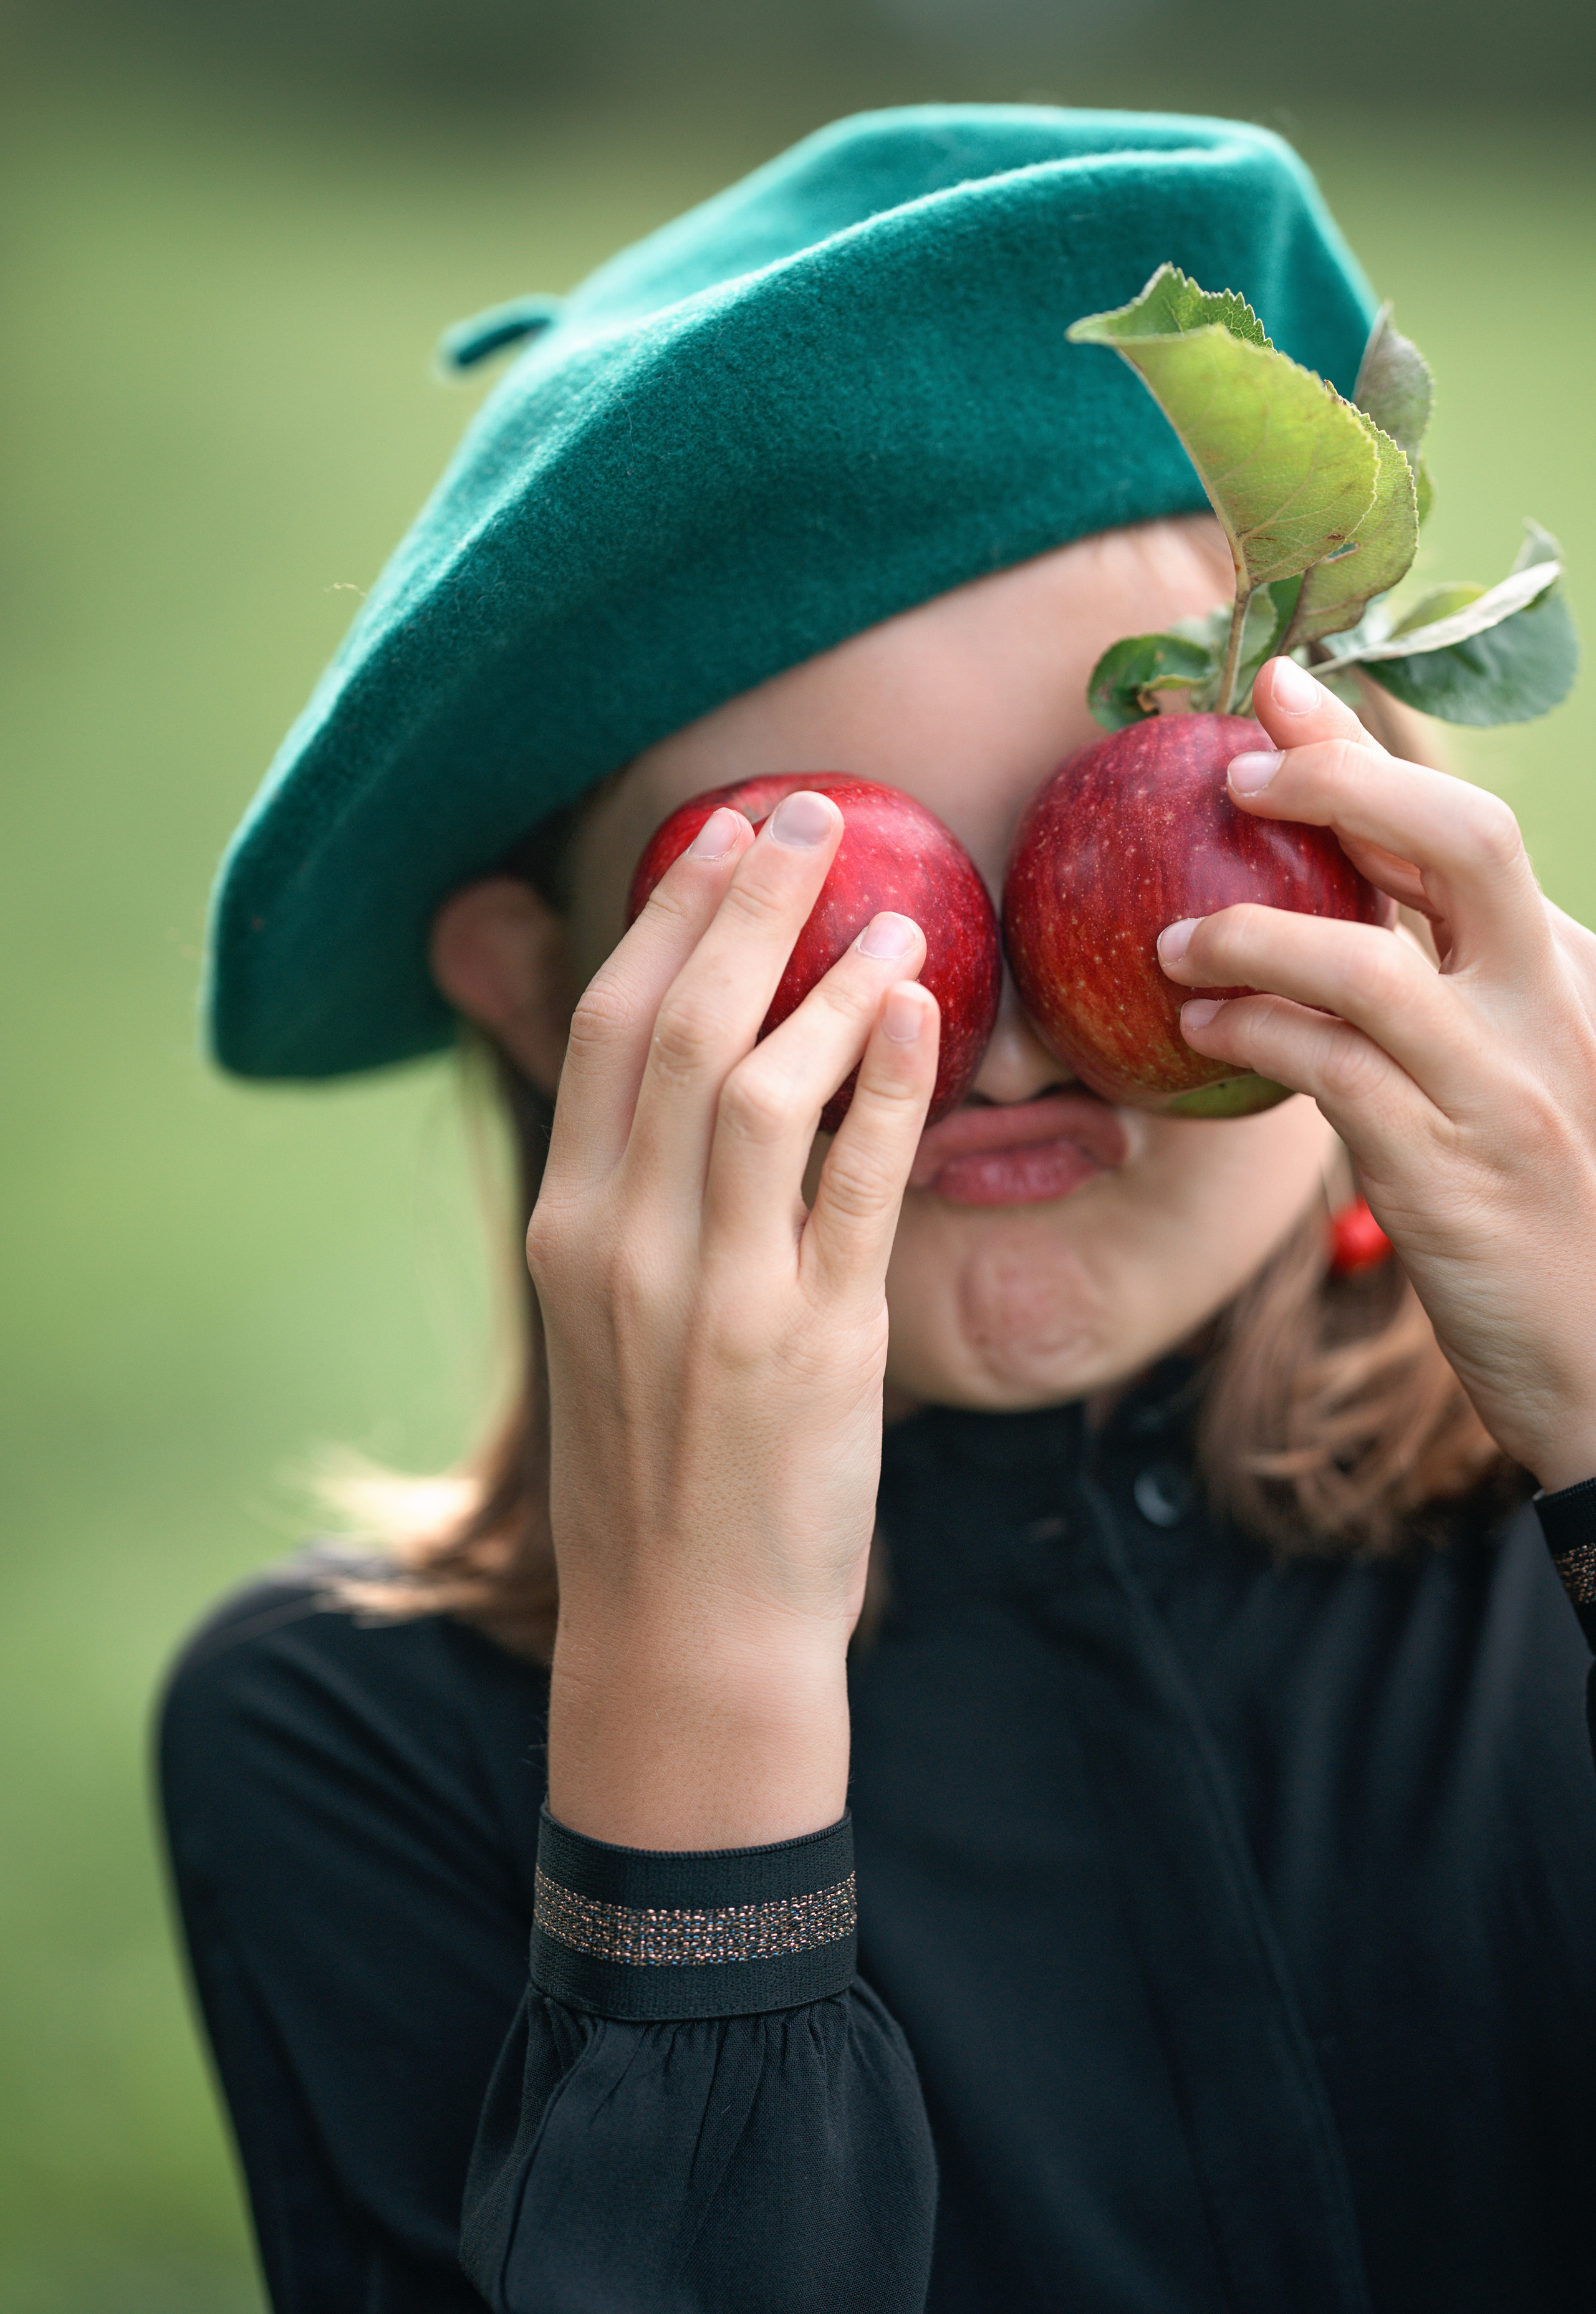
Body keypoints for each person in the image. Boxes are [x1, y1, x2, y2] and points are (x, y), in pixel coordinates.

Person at [159, 105, 1596, 2314]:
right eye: (833, 925)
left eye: (1159, 856)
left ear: (1398, 879)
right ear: (554, 1001)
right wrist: (702, 1703)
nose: (1008, 1046)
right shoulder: (345, 1754)